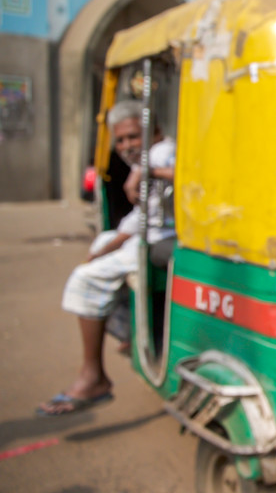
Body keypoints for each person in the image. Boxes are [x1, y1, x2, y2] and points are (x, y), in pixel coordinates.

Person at [37, 100, 176, 416]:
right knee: (101, 247)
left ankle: (93, 375)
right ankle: (132, 331)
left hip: (165, 239)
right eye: (121, 140)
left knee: (85, 278)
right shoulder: (148, 159)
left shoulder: (160, 153)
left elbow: (188, 173)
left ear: (154, 131)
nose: (127, 146)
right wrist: (104, 248)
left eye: (133, 137)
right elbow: (141, 215)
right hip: (152, 233)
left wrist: (145, 171)